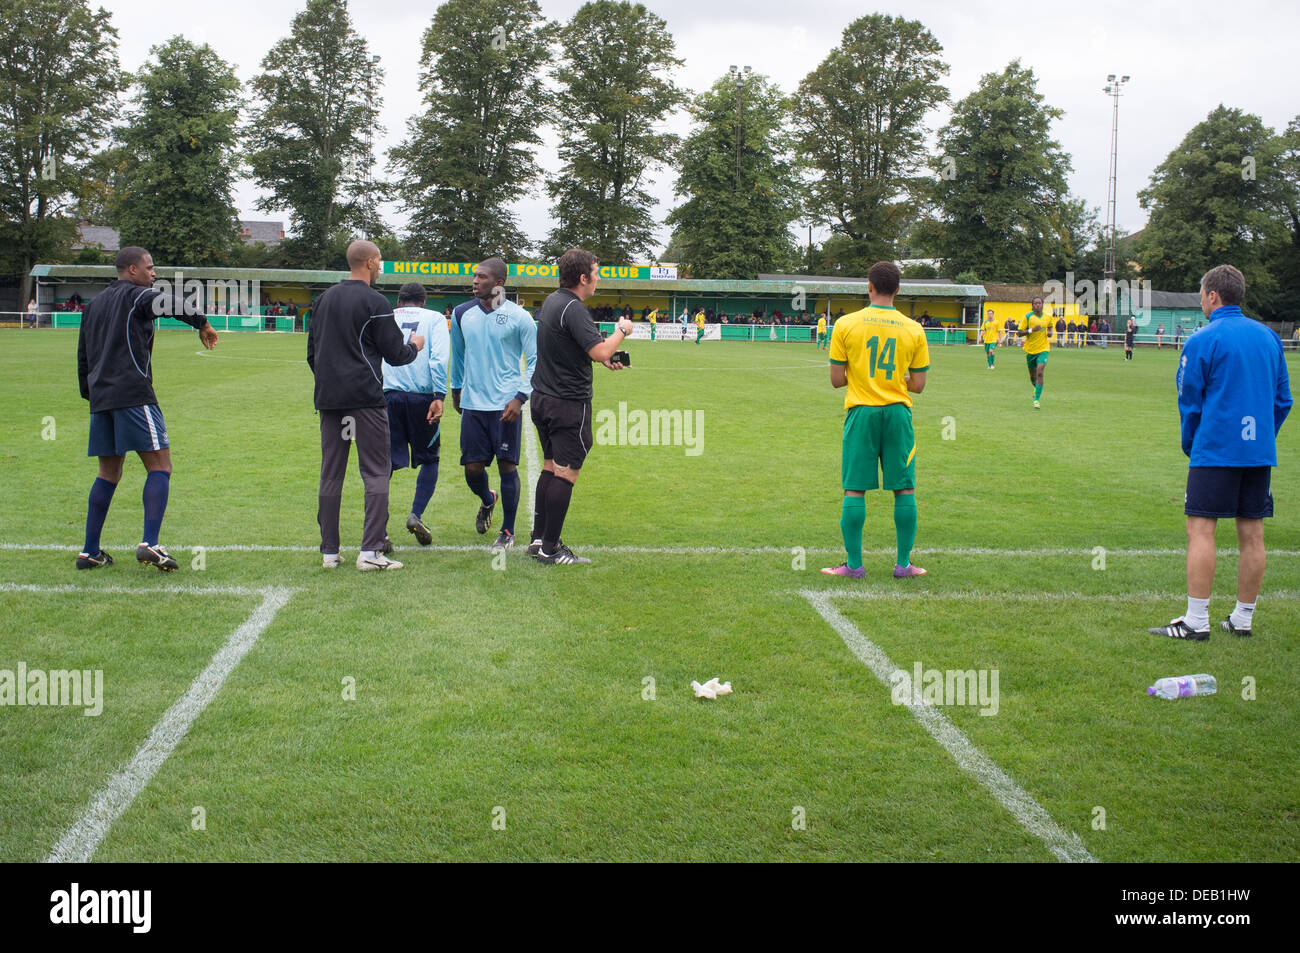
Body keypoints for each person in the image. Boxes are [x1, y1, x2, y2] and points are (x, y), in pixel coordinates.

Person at [1148, 264, 1291, 640]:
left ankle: (1196, 621)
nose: (1200, 300)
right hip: (1258, 453)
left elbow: (1188, 401)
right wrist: (1262, 437)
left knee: (1200, 529)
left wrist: (1191, 444)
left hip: (1215, 451)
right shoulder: (1269, 338)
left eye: (1201, 294)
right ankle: (1242, 619)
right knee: (1253, 534)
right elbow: (1283, 401)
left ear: (1213, 296)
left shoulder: (1202, 339)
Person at [75, 246, 219, 571]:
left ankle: (89, 551)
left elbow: (83, 356)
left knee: (108, 472)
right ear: (132, 270)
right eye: (150, 268)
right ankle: (150, 543)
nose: (154, 275)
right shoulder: (137, 296)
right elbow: (170, 302)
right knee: (160, 465)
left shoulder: (93, 305)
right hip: (133, 394)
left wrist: (93, 395)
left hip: (102, 399)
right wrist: (202, 323)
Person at [308, 239, 423, 571]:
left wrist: (332, 384)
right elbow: (396, 355)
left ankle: (330, 551)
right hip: (365, 402)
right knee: (375, 472)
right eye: (380, 260)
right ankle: (371, 552)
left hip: (330, 401)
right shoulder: (376, 301)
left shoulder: (323, 300)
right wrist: (414, 345)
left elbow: (312, 354)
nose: (381, 264)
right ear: (371, 262)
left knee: (331, 473)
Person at [820, 261, 930, 579]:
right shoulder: (913, 329)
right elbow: (919, 385)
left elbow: (836, 380)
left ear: (869, 286)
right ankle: (903, 564)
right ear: (897, 290)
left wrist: (863, 377)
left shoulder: (845, 325)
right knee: (904, 488)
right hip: (897, 414)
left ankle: (854, 565)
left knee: (854, 489)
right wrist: (894, 381)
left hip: (861, 412)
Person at [527, 248, 632, 564]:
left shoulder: (553, 301)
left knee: (550, 466)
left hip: (543, 398)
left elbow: (579, 351)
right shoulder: (572, 307)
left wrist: (604, 358)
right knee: (566, 473)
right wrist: (621, 332)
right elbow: (600, 351)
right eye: (597, 273)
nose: (598, 279)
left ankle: (538, 541)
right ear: (583, 277)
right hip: (567, 403)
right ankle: (551, 548)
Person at [450, 257, 538, 552]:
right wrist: (456, 390)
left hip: (505, 405)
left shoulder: (520, 317)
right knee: (472, 469)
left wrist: (520, 397)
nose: (475, 281)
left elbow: (537, 362)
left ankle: (508, 531)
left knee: (507, 467)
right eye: (474, 276)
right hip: (473, 405)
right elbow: (458, 356)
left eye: (481, 277)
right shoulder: (462, 313)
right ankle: (488, 500)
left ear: (498, 283)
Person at [383, 282, 450, 549]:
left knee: (383, 464)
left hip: (388, 397)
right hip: (423, 398)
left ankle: (379, 530)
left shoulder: (385, 315)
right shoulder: (434, 318)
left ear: (399, 302)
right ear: (424, 302)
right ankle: (416, 514)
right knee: (430, 459)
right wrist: (439, 396)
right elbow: (438, 359)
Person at [1020, 295, 1051, 408]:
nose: (1038, 305)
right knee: (1033, 377)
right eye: (1035, 303)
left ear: (1042, 305)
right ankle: (1035, 388)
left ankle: (1036, 400)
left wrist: (1050, 333)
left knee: (1040, 372)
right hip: (1030, 350)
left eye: (1040, 303)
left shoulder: (1048, 317)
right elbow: (1019, 333)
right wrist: (1031, 330)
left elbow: (1050, 327)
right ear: (1032, 306)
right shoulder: (1027, 317)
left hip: (1043, 349)